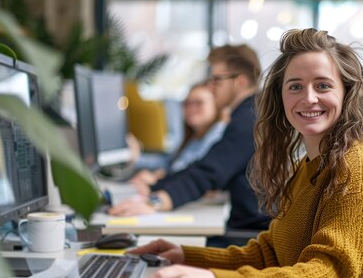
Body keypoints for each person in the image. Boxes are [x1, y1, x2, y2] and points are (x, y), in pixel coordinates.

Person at [128, 28, 363, 278]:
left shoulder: (356, 170)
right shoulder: (312, 164)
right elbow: (269, 254)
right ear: (281, 97)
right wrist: (185, 256)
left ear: (347, 93)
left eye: (323, 85)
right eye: (295, 87)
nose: (308, 98)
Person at [108, 44, 270, 247]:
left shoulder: (249, 121)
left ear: (240, 82)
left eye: (217, 80)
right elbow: (202, 167)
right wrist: (153, 188)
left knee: (155, 251)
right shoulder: (250, 114)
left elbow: (207, 173)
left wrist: (153, 202)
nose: (211, 87)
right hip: (246, 230)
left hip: (250, 236)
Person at [130, 82, 228, 195]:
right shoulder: (193, 137)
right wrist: (137, 158)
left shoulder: (218, 134)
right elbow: (170, 162)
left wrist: (158, 181)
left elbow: (198, 174)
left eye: (199, 103)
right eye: (187, 103)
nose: (191, 108)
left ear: (216, 104)